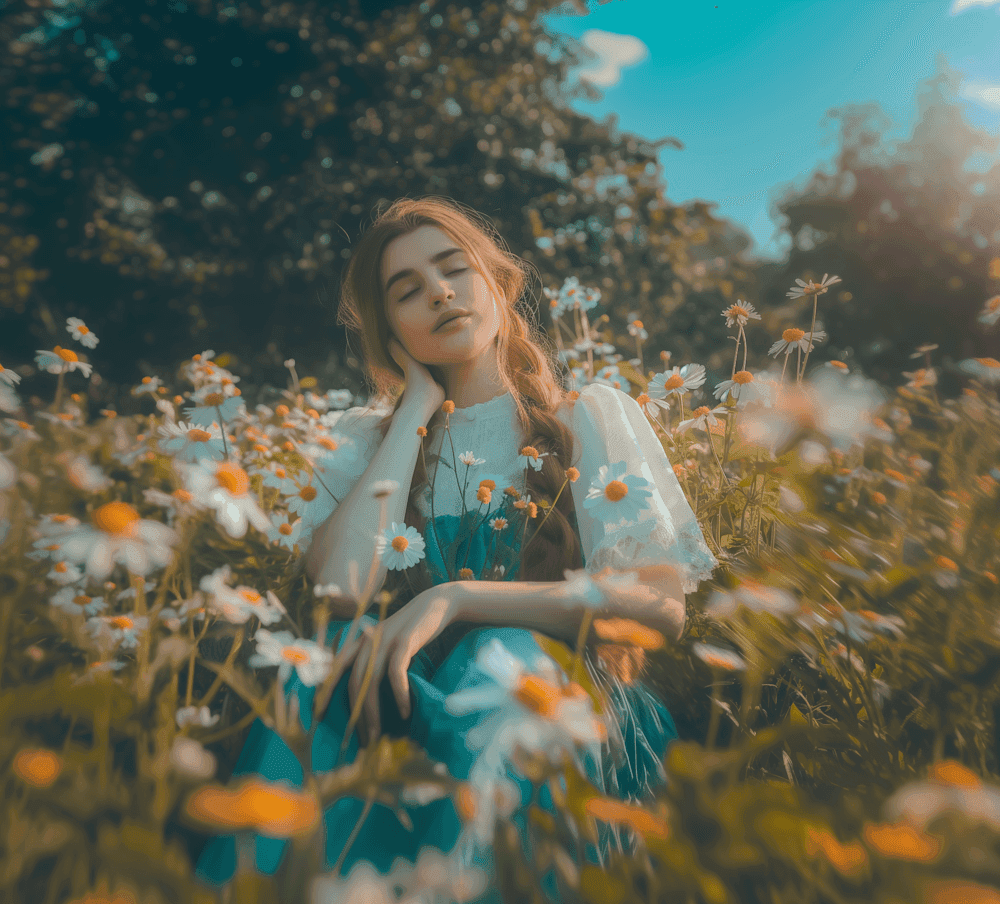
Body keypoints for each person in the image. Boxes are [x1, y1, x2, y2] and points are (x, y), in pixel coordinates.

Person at [195, 197, 718, 899]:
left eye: (453, 270)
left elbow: (659, 605)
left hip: (549, 692)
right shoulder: (366, 440)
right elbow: (342, 590)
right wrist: (412, 409)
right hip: (403, 701)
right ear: (391, 332)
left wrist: (456, 599)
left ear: (496, 284)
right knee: (325, 663)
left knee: (499, 658)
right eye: (406, 291)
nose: (439, 292)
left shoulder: (584, 418)